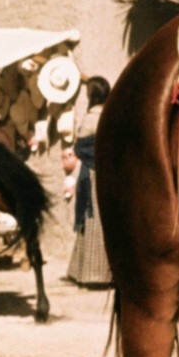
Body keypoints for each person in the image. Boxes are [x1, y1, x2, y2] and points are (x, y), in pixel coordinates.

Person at [67, 76, 113, 288]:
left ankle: (93, 274)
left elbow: (80, 147)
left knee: (92, 218)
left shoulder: (91, 117)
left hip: (94, 174)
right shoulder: (115, 112)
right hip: (111, 172)